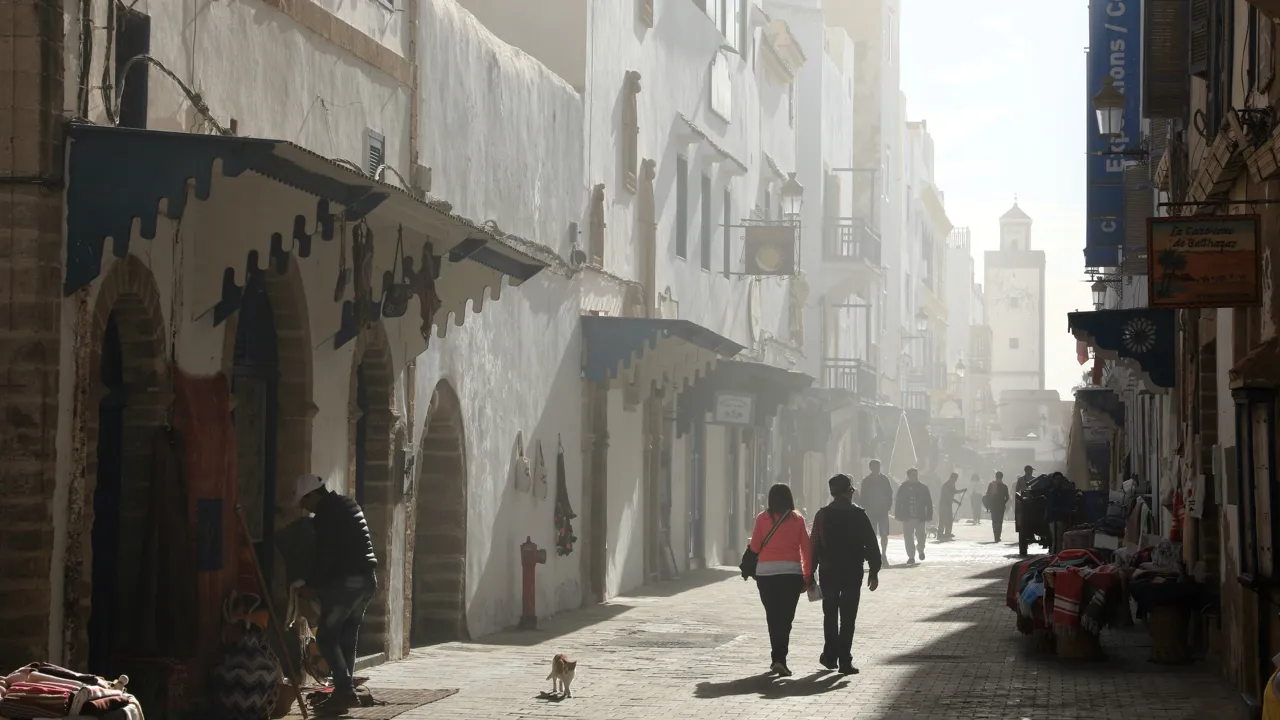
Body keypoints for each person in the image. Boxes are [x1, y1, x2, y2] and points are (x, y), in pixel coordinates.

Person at [295, 473, 379, 711]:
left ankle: (344, 691)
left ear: (313, 495)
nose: (305, 508)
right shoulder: (347, 504)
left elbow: (326, 555)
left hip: (348, 584)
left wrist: (311, 584)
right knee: (347, 636)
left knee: (326, 636)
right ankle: (346, 690)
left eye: (304, 501)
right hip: (367, 581)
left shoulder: (326, 514)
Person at [810, 474, 881, 676]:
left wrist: (810, 573)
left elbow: (813, 545)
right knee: (848, 617)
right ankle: (845, 660)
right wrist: (874, 571)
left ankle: (830, 655)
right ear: (848, 492)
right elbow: (871, 544)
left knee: (830, 614)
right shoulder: (859, 515)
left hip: (828, 572)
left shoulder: (822, 515)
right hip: (852, 572)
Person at [748, 483, 813, 677]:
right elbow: (806, 549)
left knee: (772, 616)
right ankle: (780, 659)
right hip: (790, 575)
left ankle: (777, 658)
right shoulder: (797, 519)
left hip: (766, 574)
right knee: (785, 619)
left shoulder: (762, 518)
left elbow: (755, 545)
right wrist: (808, 576)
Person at [893, 468, 933, 564]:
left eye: (916, 474)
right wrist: (898, 514)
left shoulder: (923, 487)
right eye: (913, 475)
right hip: (907, 516)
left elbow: (929, 502)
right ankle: (911, 556)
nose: (915, 476)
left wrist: (929, 515)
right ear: (909, 476)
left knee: (921, 536)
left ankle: (921, 550)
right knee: (908, 538)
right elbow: (898, 501)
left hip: (920, 517)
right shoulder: (903, 487)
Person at [859, 460, 894, 560]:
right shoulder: (866, 481)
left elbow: (889, 493)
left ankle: (883, 554)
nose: (876, 469)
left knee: (884, 533)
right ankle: (874, 554)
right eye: (874, 467)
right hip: (871, 511)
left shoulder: (884, 479)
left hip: (883, 511)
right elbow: (863, 496)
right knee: (871, 534)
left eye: (878, 466)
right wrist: (865, 508)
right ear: (870, 468)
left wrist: (888, 506)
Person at [1046, 472, 1075, 554]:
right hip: (1055, 520)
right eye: (1056, 479)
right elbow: (1053, 507)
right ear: (1053, 480)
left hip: (1063, 520)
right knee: (1056, 540)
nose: (1058, 481)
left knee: (1061, 541)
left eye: (1060, 479)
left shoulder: (1063, 492)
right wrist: (1067, 511)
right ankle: (1054, 557)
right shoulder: (1052, 492)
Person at [985, 471, 1011, 542]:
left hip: (993, 505)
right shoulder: (1004, 486)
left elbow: (987, 495)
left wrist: (988, 505)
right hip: (1001, 506)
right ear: (1002, 477)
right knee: (999, 521)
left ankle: (995, 536)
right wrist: (1003, 503)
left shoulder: (991, 485)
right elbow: (1007, 497)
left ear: (995, 476)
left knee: (994, 520)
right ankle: (998, 536)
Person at [938, 473, 959, 540]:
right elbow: (948, 496)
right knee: (943, 519)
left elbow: (954, 491)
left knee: (949, 519)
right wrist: (957, 502)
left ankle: (948, 533)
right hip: (944, 504)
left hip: (948, 504)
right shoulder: (946, 485)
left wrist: (963, 490)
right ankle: (940, 534)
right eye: (955, 479)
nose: (956, 480)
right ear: (952, 478)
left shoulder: (952, 484)